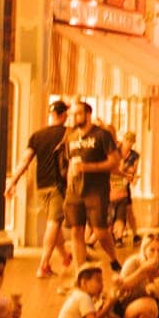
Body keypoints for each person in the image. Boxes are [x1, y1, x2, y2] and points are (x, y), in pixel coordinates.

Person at [6, 100, 73, 278]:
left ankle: (65, 256)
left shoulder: (37, 135)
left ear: (51, 114)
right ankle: (43, 265)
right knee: (54, 223)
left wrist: (12, 182)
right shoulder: (69, 134)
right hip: (59, 185)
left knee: (54, 224)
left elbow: (25, 161)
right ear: (63, 115)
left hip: (41, 186)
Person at [63, 101, 122, 275]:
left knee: (100, 231)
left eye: (78, 114)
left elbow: (114, 161)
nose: (74, 118)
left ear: (88, 114)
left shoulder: (101, 135)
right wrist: (68, 187)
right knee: (76, 230)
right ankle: (80, 271)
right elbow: (70, 165)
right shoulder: (70, 136)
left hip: (96, 191)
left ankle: (113, 258)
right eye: (72, 114)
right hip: (74, 191)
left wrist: (88, 167)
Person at [110, 130, 142, 246]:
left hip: (124, 186)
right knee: (114, 213)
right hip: (113, 185)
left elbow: (133, 171)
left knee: (127, 211)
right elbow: (117, 168)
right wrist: (126, 170)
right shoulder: (116, 152)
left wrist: (128, 172)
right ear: (123, 140)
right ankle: (116, 236)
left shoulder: (135, 155)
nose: (128, 144)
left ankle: (134, 234)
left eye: (131, 142)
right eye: (127, 141)